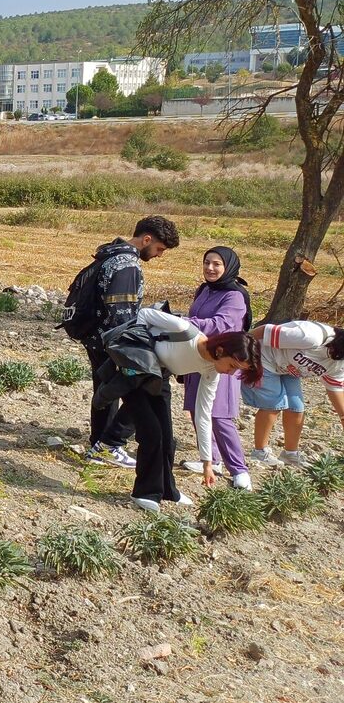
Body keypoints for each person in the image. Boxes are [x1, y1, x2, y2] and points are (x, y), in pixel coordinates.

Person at [97, 307, 260, 511]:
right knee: (151, 433)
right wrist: (139, 346)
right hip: (135, 371)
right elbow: (146, 313)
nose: (231, 372)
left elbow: (203, 414)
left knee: (167, 436)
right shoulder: (185, 331)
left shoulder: (211, 371)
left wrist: (207, 463)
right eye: (232, 366)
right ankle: (145, 492)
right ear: (220, 351)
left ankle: (166, 490)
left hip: (158, 377)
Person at [84, 215, 181, 467]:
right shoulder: (127, 264)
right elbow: (121, 312)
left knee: (106, 390)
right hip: (113, 341)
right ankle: (108, 446)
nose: (160, 255)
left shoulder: (110, 253)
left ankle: (100, 446)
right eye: (159, 248)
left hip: (96, 337)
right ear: (146, 239)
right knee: (138, 388)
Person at [179, 247, 254, 489]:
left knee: (220, 415)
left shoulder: (235, 295)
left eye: (217, 264)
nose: (210, 268)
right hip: (200, 356)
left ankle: (239, 470)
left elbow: (222, 325)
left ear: (228, 267)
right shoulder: (205, 289)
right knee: (196, 408)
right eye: (207, 263)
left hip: (224, 361)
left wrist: (184, 323)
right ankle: (213, 458)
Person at [245, 321, 344, 466]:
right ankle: (259, 451)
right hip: (264, 357)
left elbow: (335, 388)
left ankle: (290, 454)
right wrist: (239, 345)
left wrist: (343, 416)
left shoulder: (338, 364)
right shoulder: (310, 336)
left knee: (296, 408)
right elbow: (265, 331)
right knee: (273, 406)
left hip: (288, 369)